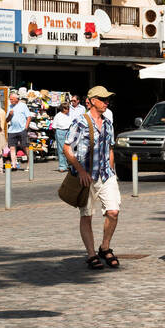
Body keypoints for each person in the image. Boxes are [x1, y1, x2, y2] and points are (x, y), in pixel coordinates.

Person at [64, 86, 121, 270]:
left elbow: (110, 148)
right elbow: (67, 148)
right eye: (103, 99)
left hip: (105, 175)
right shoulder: (79, 122)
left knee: (113, 212)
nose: (107, 102)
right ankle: (91, 254)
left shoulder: (108, 123)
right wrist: (80, 171)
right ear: (92, 101)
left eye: (108, 100)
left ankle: (105, 247)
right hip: (86, 176)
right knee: (86, 215)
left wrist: (111, 171)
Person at [6, 90, 31, 170]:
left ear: (17, 99)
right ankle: (14, 165)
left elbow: (28, 117)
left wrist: (26, 128)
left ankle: (29, 163)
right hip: (12, 130)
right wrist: (10, 115)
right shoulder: (10, 107)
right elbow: (7, 120)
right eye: (10, 99)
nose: (11, 101)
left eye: (12, 99)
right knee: (12, 147)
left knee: (25, 146)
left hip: (22, 129)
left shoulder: (23, 105)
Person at [52, 101, 74, 173]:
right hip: (60, 131)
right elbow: (54, 127)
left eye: (68, 108)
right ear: (63, 109)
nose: (68, 110)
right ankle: (62, 166)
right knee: (61, 150)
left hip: (69, 131)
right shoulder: (58, 116)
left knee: (69, 149)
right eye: (67, 109)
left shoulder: (70, 115)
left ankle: (70, 165)